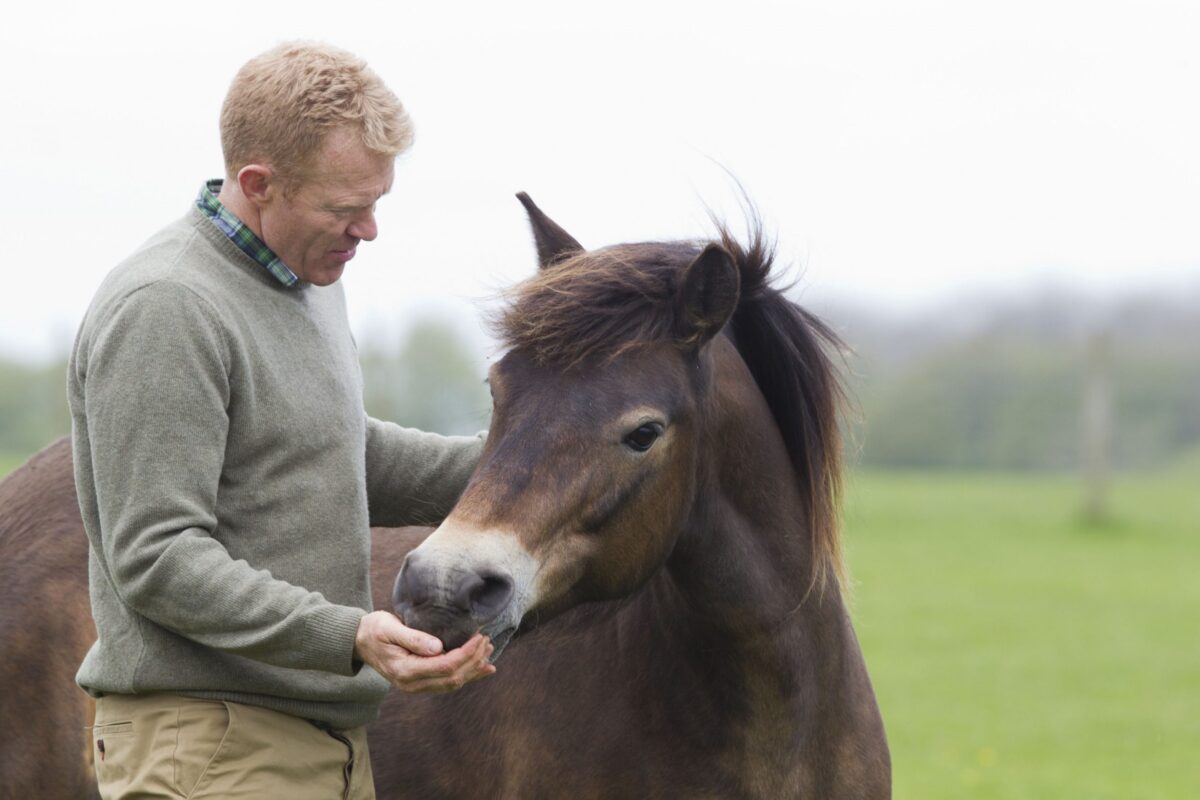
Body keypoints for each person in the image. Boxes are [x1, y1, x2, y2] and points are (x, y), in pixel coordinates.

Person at [68, 41, 493, 799]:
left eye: (377, 202)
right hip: (213, 748)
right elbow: (158, 556)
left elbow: (339, 455)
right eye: (344, 208)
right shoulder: (168, 306)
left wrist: (527, 463)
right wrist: (349, 633)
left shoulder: (308, 280)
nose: (369, 230)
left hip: (322, 746)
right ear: (258, 184)